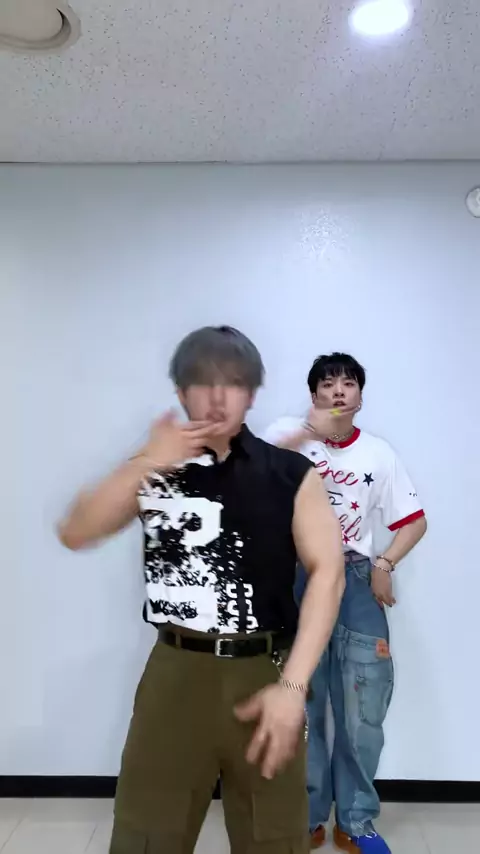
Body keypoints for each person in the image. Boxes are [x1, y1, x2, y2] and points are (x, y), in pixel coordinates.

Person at [58, 326, 345, 854]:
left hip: (265, 671)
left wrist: (294, 687)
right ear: (180, 391)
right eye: (202, 381)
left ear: (251, 392)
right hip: (175, 673)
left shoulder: (290, 473)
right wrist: (149, 461)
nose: (217, 396)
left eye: (232, 382)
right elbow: (76, 531)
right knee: (147, 833)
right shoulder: (153, 470)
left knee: (273, 836)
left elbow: (329, 572)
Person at [264, 352, 427, 854]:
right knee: (301, 705)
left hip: (356, 580)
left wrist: (385, 564)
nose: (338, 390)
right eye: (328, 383)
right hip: (297, 579)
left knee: (363, 708)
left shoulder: (378, 454)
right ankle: (307, 817)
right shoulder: (285, 436)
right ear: (313, 393)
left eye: (349, 383)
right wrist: (306, 434)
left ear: (360, 396)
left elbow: (414, 520)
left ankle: (355, 821)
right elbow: (250, 480)